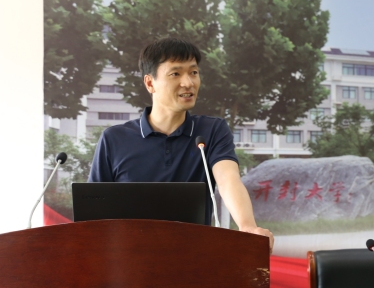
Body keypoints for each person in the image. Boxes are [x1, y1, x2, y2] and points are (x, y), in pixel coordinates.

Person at [88, 37, 273, 250]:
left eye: (193, 72)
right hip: (129, 258)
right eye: (175, 74)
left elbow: (228, 179)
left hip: (193, 257)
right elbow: (94, 209)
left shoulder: (212, 130)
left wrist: (247, 227)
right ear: (150, 83)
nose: (188, 83)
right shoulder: (114, 139)